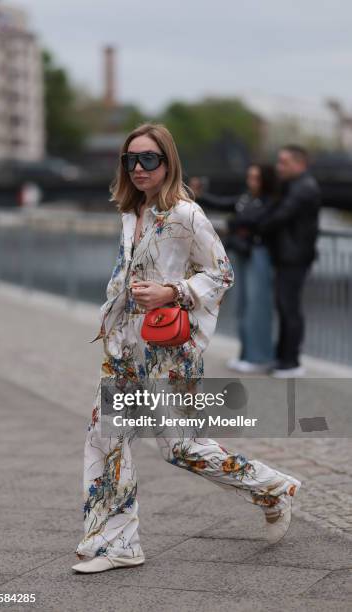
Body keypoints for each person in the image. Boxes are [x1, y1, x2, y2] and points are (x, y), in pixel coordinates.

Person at [72, 123, 302, 574]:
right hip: (124, 350)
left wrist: (172, 292)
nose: (139, 168)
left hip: (168, 352)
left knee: (181, 448)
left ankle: (271, 488)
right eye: (131, 160)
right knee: (105, 438)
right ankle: (116, 544)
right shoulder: (131, 210)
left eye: (149, 159)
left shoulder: (184, 213)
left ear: (168, 161)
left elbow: (222, 274)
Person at [194, 165, 278, 373]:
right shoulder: (246, 199)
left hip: (259, 253)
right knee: (243, 305)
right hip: (243, 253)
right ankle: (247, 355)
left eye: (256, 178)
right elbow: (226, 206)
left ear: (265, 181)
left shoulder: (271, 201)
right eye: (249, 177)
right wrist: (200, 196)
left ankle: (260, 357)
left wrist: (234, 224)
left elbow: (254, 220)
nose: (251, 182)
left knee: (257, 306)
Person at [256, 145, 321, 377]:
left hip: (295, 258)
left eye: (283, 162)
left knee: (289, 308)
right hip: (289, 256)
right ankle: (283, 357)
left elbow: (279, 216)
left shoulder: (304, 188)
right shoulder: (294, 186)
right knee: (285, 307)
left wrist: (256, 226)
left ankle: (291, 361)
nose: (278, 167)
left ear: (299, 164)